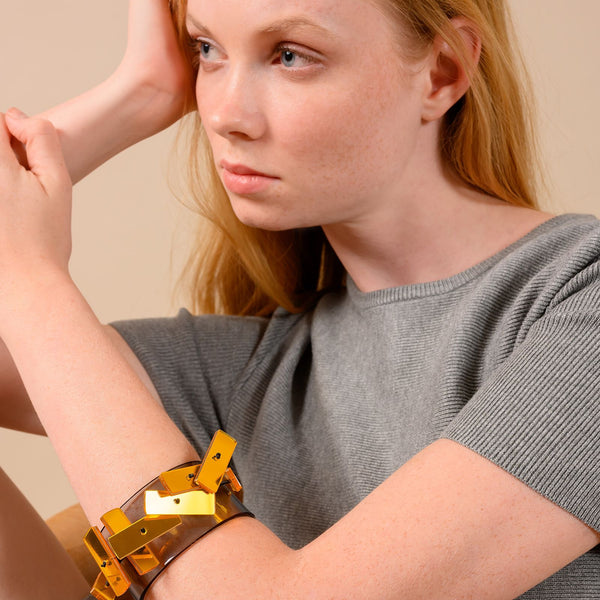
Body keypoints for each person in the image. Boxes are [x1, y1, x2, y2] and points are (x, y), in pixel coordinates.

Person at [0, 0, 598, 598]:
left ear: (442, 71)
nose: (226, 117)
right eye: (208, 50)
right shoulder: (244, 381)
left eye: (290, 56)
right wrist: (140, 92)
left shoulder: (579, 299)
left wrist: (30, 279)